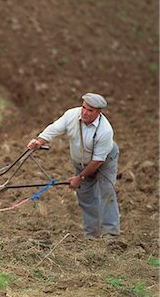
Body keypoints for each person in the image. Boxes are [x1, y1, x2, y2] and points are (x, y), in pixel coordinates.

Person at [27, 93, 120, 238]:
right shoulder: (71, 115)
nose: (84, 112)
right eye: (84, 107)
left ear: (98, 112)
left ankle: (111, 234)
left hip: (104, 162)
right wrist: (39, 141)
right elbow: (54, 128)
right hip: (81, 161)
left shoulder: (105, 131)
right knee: (85, 196)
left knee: (106, 192)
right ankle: (92, 235)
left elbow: (98, 161)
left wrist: (80, 177)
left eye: (90, 110)